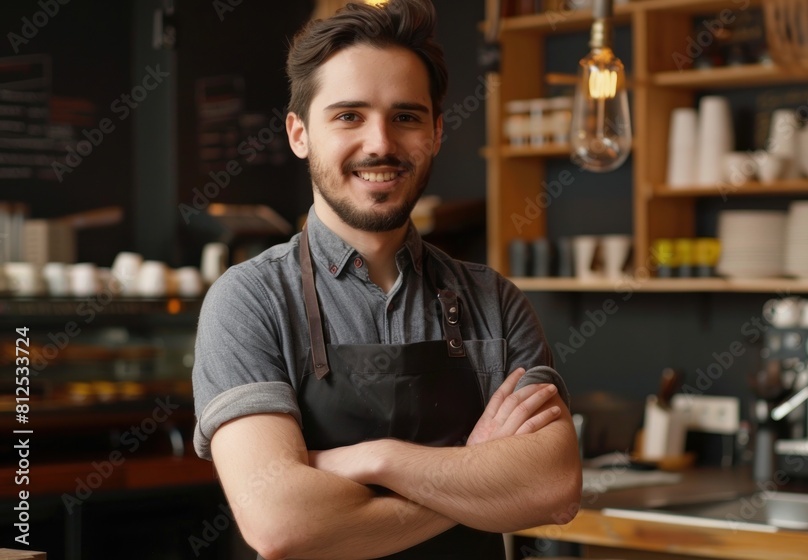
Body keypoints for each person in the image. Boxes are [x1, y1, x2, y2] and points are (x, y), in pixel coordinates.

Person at [191, 1, 582, 558]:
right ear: (299, 134)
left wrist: (379, 459)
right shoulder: (249, 301)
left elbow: (554, 488)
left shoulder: (493, 300)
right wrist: (476, 473)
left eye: (406, 116)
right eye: (349, 115)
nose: (380, 143)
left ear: (437, 131)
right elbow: (280, 523)